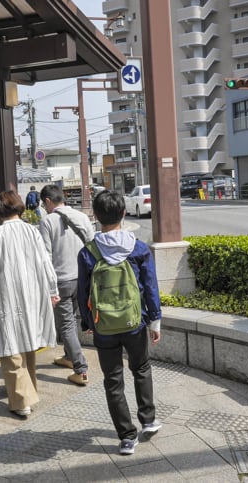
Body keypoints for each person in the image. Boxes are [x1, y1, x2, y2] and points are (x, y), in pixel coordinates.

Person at [77, 190, 162, 455]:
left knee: (112, 380)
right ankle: (147, 420)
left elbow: (83, 292)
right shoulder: (137, 248)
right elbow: (150, 286)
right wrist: (155, 320)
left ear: (96, 217)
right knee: (141, 368)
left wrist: (88, 322)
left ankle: (126, 437)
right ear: (124, 214)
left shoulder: (88, 252)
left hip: (104, 326)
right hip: (134, 322)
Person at [0, 190, 59, 418]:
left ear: (0, 210)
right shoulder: (33, 230)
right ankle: (30, 391)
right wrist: (53, 291)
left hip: (9, 296)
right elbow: (45, 262)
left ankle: (22, 401)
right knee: (28, 345)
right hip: (32, 295)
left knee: (10, 348)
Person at [39, 184, 94, 386]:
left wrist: (48, 286)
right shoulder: (82, 217)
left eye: (43, 204)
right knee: (71, 320)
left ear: (47, 201)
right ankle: (69, 357)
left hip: (61, 281)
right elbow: (92, 245)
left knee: (67, 324)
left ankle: (81, 369)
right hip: (82, 279)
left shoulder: (47, 221)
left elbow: (45, 256)